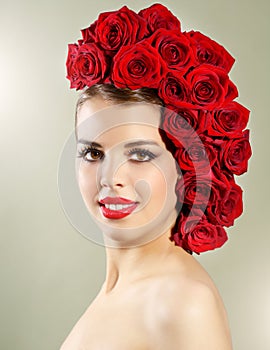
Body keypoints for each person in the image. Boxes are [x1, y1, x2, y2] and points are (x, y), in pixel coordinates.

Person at [60, 3, 252, 349]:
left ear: (186, 166)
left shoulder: (181, 303)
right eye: (93, 153)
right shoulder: (123, 291)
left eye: (140, 155)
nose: (110, 178)